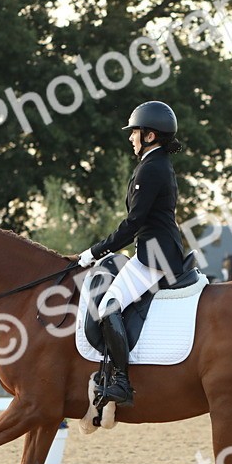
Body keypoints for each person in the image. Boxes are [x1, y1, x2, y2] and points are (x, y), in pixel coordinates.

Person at [75, 101, 186, 406]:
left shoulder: (151, 167)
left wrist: (95, 251)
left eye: (135, 132)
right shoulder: (157, 163)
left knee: (109, 304)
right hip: (157, 249)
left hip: (155, 255)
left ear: (149, 136)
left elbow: (133, 223)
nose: (130, 138)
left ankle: (121, 382)